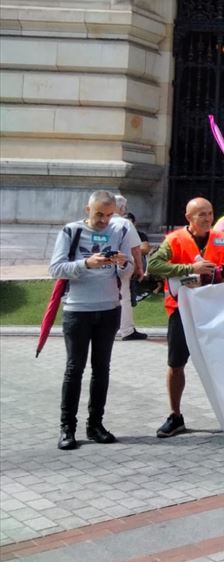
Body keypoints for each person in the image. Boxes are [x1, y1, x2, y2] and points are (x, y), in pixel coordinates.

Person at [48, 190, 134, 450]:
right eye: (99, 214)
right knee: (75, 369)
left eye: (109, 215)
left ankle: (96, 424)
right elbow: (55, 268)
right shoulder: (71, 231)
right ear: (88, 210)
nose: (104, 220)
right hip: (78, 310)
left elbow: (129, 269)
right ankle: (67, 428)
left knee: (102, 369)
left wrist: (121, 263)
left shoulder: (117, 231)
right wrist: (86, 263)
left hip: (109, 308)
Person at [146, 197, 224, 439]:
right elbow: (153, 265)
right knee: (176, 364)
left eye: (209, 213)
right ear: (189, 218)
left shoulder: (223, 240)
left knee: (223, 364)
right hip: (181, 311)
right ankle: (175, 416)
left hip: (214, 311)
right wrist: (189, 269)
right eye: (201, 215)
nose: (208, 218)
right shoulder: (174, 240)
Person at [111, 195, 150, 341]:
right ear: (121, 208)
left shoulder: (100, 221)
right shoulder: (124, 223)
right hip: (122, 264)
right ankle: (126, 329)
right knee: (124, 296)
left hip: (100, 265)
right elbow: (136, 248)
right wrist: (140, 267)